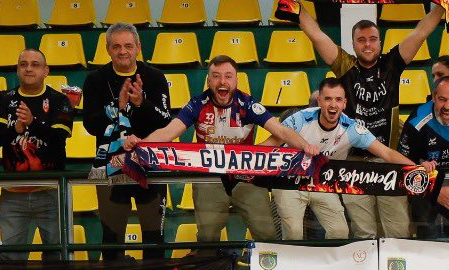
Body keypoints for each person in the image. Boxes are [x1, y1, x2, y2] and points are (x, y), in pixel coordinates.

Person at [298, 0, 449, 238]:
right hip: (353, 162)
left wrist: (442, 5)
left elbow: (420, 33)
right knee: (364, 233)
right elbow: (316, 35)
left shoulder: (391, 64)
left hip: (389, 160)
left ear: (380, 43)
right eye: (361, 40)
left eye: (372, 39)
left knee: (398, 232)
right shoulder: (345, 66)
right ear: (353, 44)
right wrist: (296, 5)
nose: (367, 45)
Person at [124, 56, 316, 241]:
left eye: (228, 76)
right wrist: (141, 145)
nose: (222, 81)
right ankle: (208, 263)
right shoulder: (197, 104)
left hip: (246, 177)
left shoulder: (248, 104)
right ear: (208, 81)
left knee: (266, 234)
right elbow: (168, 132)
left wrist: (305, 147)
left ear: (236, 81)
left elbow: (281, 131)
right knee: (207, 237)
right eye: (216, 76)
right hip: (209, 178)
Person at [272, 77, 422, 240]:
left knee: (340, 232)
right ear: (319, 101)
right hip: (288, 181)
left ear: (344, 103)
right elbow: (271, 144)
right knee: (293, 233)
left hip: (321, 184)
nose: (333, 105)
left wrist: (418, 170)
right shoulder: (299, 119)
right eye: (328, 99)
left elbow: (387, 153)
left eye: (338, 100)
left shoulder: (351, 128)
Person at [81, 23, 172, 256]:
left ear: (138, 47)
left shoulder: (155, 77)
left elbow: (165, 121)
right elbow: (90, 125)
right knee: (111, 241)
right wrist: (117, 106)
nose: (123, 51)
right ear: (108, 49)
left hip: (151, 168)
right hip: (111, 169)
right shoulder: (95, 80)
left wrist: (141, 103)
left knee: (154, 240)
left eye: (128, 46)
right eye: (117, 46)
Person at [0, 48, 73, 256]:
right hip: (13, 193)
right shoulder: (3, 99)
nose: (29, 69)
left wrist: (32, 123)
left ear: (46, 71)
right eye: (23, 64)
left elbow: (58, 139)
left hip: (51, 191)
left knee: (57, 256)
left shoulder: (60, 100)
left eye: (35, 64)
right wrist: (15, 129)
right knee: (12, 258)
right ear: (17, 70)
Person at [398, 76, 449, 237]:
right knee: (427, 235)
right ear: (434, 97)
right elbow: (402, 166)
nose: (447, 106)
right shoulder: (417, 122)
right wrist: (433, 189)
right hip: (425, 181)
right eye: (442, 99)